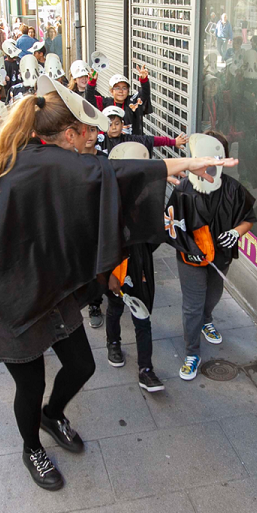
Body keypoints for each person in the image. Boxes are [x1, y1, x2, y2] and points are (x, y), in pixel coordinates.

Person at [0, 75, 238, 490]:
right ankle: (31, 447)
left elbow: (100, 184)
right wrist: (182, 163)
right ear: (69, 134)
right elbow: (113, 174)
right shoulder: (43, 163)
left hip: (46, 285)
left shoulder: (43, 155)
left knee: (81, 365)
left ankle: (52, 415)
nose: (96, 136)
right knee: (30, 382)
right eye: (89, 130)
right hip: (8, 297)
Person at [166, 131, 257, 381]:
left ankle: (207, 319)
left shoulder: (233, 189)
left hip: (220, 257)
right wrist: (189, 249)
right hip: (190, 259)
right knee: (192, 305)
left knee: (212, 296)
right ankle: (191, 352)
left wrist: (236, 233)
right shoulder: (184, 188)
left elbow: (248, 218)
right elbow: (170, 223)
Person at [103, 142, 165, 393]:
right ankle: (113, 342)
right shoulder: (108, 203)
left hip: (139, 264)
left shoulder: (148, 198)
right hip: (116, 266)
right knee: (115, 307)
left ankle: (146, 369)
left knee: (142, 315)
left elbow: (153, 235)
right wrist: (109, 274)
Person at [86, 67, 154, 136]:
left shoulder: (133, 102)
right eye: (117, 88)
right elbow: (89, 99)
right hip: (111, 145)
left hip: (133, 143)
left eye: (124, 88)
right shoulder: (106, 103)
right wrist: (92, 81)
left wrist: (144, 80)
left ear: (128, 90)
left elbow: (145, 94)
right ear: (111, 91)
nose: (121, 91)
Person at [97, 106, 187, 156]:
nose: (113, 128)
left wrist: (173, 142)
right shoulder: (99, 141)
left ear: (122, 124)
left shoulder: (129, 139)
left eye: (117, 124)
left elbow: (150, 140)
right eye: (110, 124)